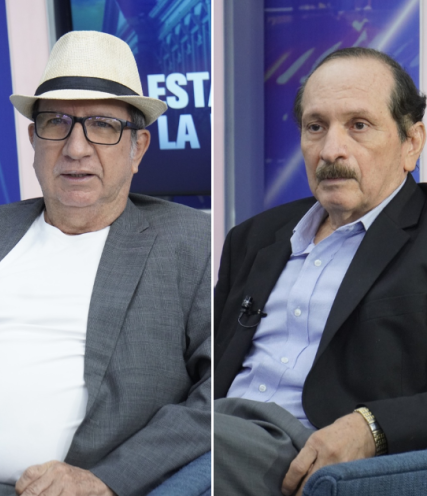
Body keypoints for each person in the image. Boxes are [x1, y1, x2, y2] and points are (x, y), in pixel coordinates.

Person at [0, 31, 211, 496]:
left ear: (138, 147)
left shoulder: (191, 243)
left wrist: (109, 479)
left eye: (103, 126)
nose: (76, 148)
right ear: (33, 139)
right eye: (57, 123)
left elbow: (222, 388)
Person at [214, 47, 427, 495]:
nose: (331, 151)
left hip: (306, 452)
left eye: (359, 125)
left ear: (412, 143)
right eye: (315, 127)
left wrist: (373, 426)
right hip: (218, 428)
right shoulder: (253, 237)